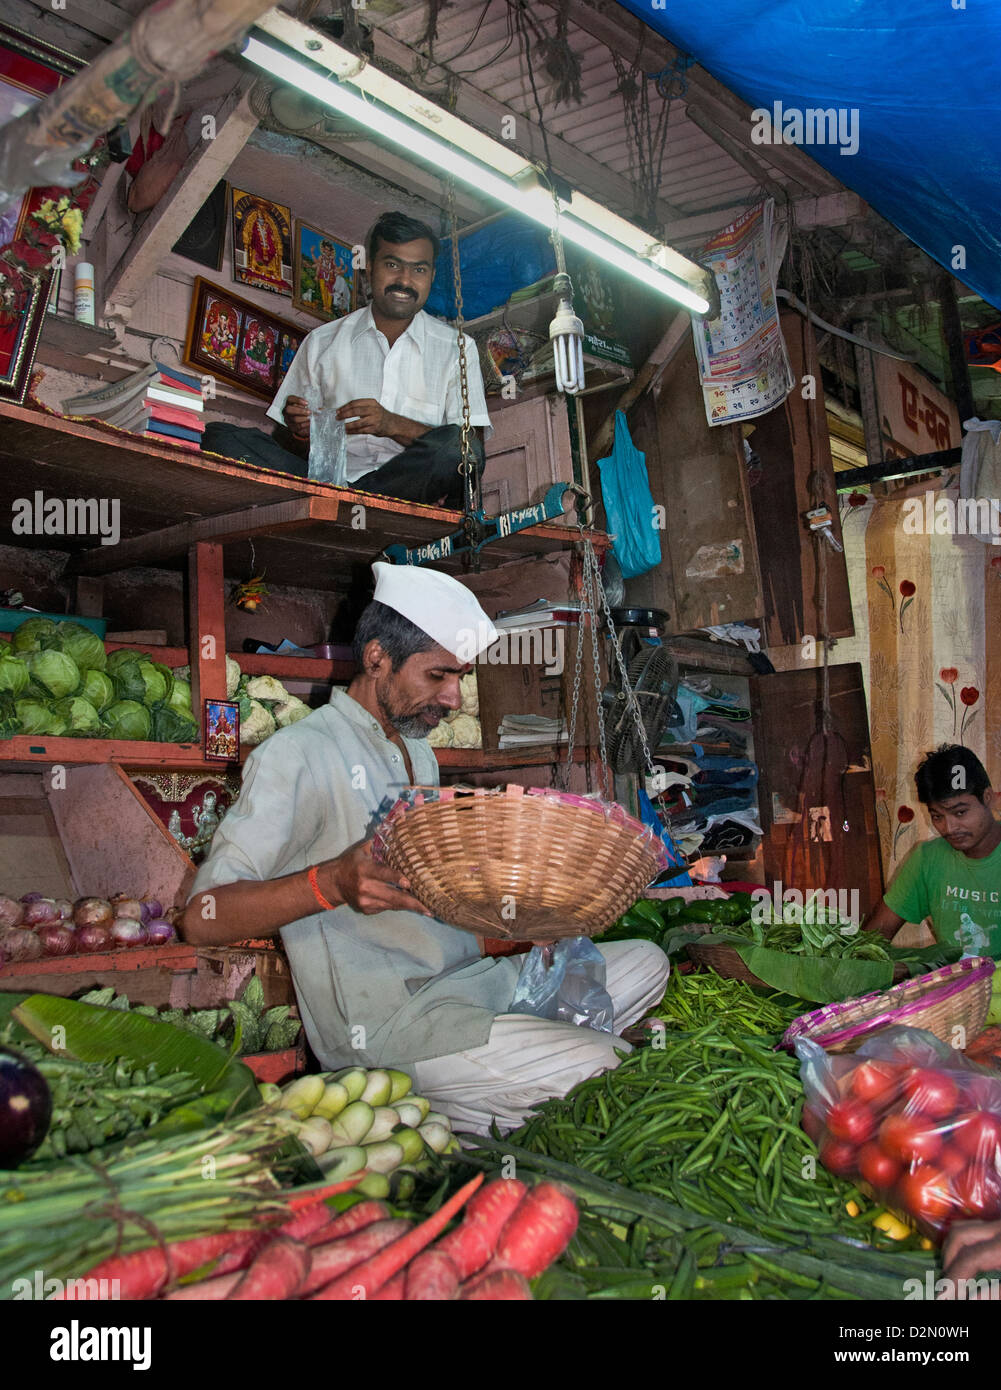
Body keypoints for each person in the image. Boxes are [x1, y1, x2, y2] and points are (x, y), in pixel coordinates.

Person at [179, 563, 668, 1134]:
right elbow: (200, 918)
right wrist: (329, 883)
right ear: (378, 658)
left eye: (459, 676)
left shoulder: (420, 752)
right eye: (439, 675)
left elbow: (433, 895)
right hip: (396, 1027)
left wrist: (517, 911)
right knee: (605, 1066)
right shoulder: (296, 756)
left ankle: (489, 1094)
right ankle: (480, 1097)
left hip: (472, 986)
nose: (455, 698)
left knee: (647, 963)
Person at [266, 210, 490, 506]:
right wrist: (299, 433)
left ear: (432, 276)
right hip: (329, 488)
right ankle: (347, 501)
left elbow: (469, 450)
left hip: (404, 491)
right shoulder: (321, 343)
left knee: (461, 448)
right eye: (393, 264)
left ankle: (370, 501)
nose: (405, 280)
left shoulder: (457, 348)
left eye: (419, 269)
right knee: (222, 437)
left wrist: (392, 424)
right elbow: (283, 442)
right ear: (369, 268)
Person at [862, 745, 1001, 958]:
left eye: (960, 812)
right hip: (958, 989)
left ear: (988, 797)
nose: (949, 828)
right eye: (937, 816)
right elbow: (872, 939)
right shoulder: (928, 858)